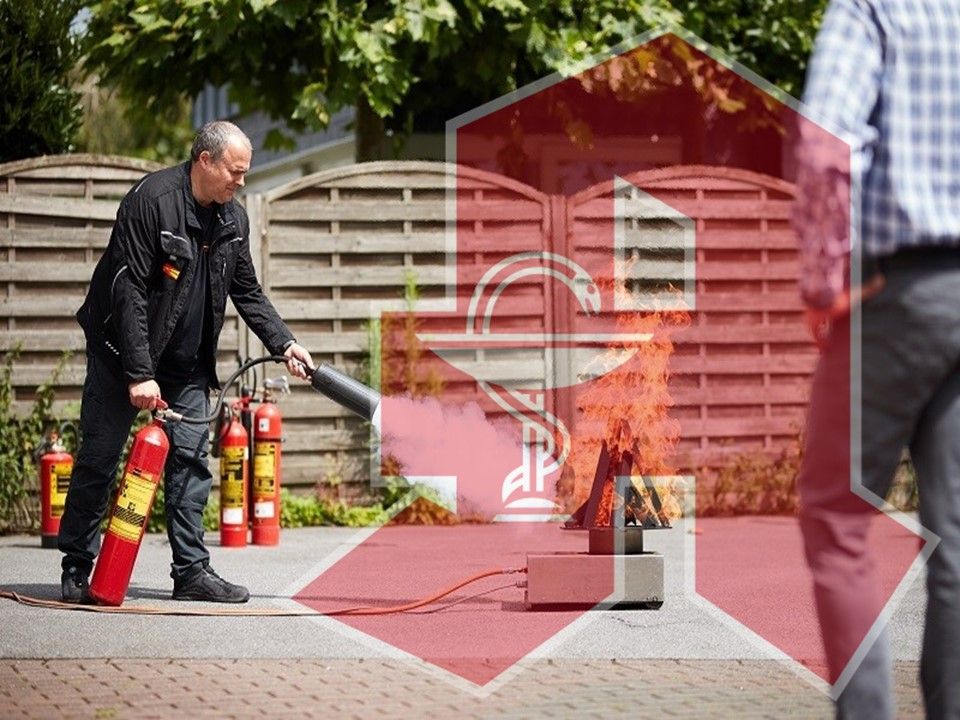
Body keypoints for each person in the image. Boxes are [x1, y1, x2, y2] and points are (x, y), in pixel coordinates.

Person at [58, 121, 314, 604]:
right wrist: (138, 373)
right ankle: (77, 566)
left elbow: (248, 292)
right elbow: (126, 289)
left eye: (245, 174)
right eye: (235, 172)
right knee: (100, 458)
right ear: (205, 160)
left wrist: (286, 343)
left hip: (187, 363)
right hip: (121, 354)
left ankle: (191, 571)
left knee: (192, 461)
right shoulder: (151, 202)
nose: (241, 182)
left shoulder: (232, 220)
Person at [794, 1, 960, 717]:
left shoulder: (873, 6)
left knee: (837, 515)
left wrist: (822, 278)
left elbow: (825, 141)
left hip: (897, 295)